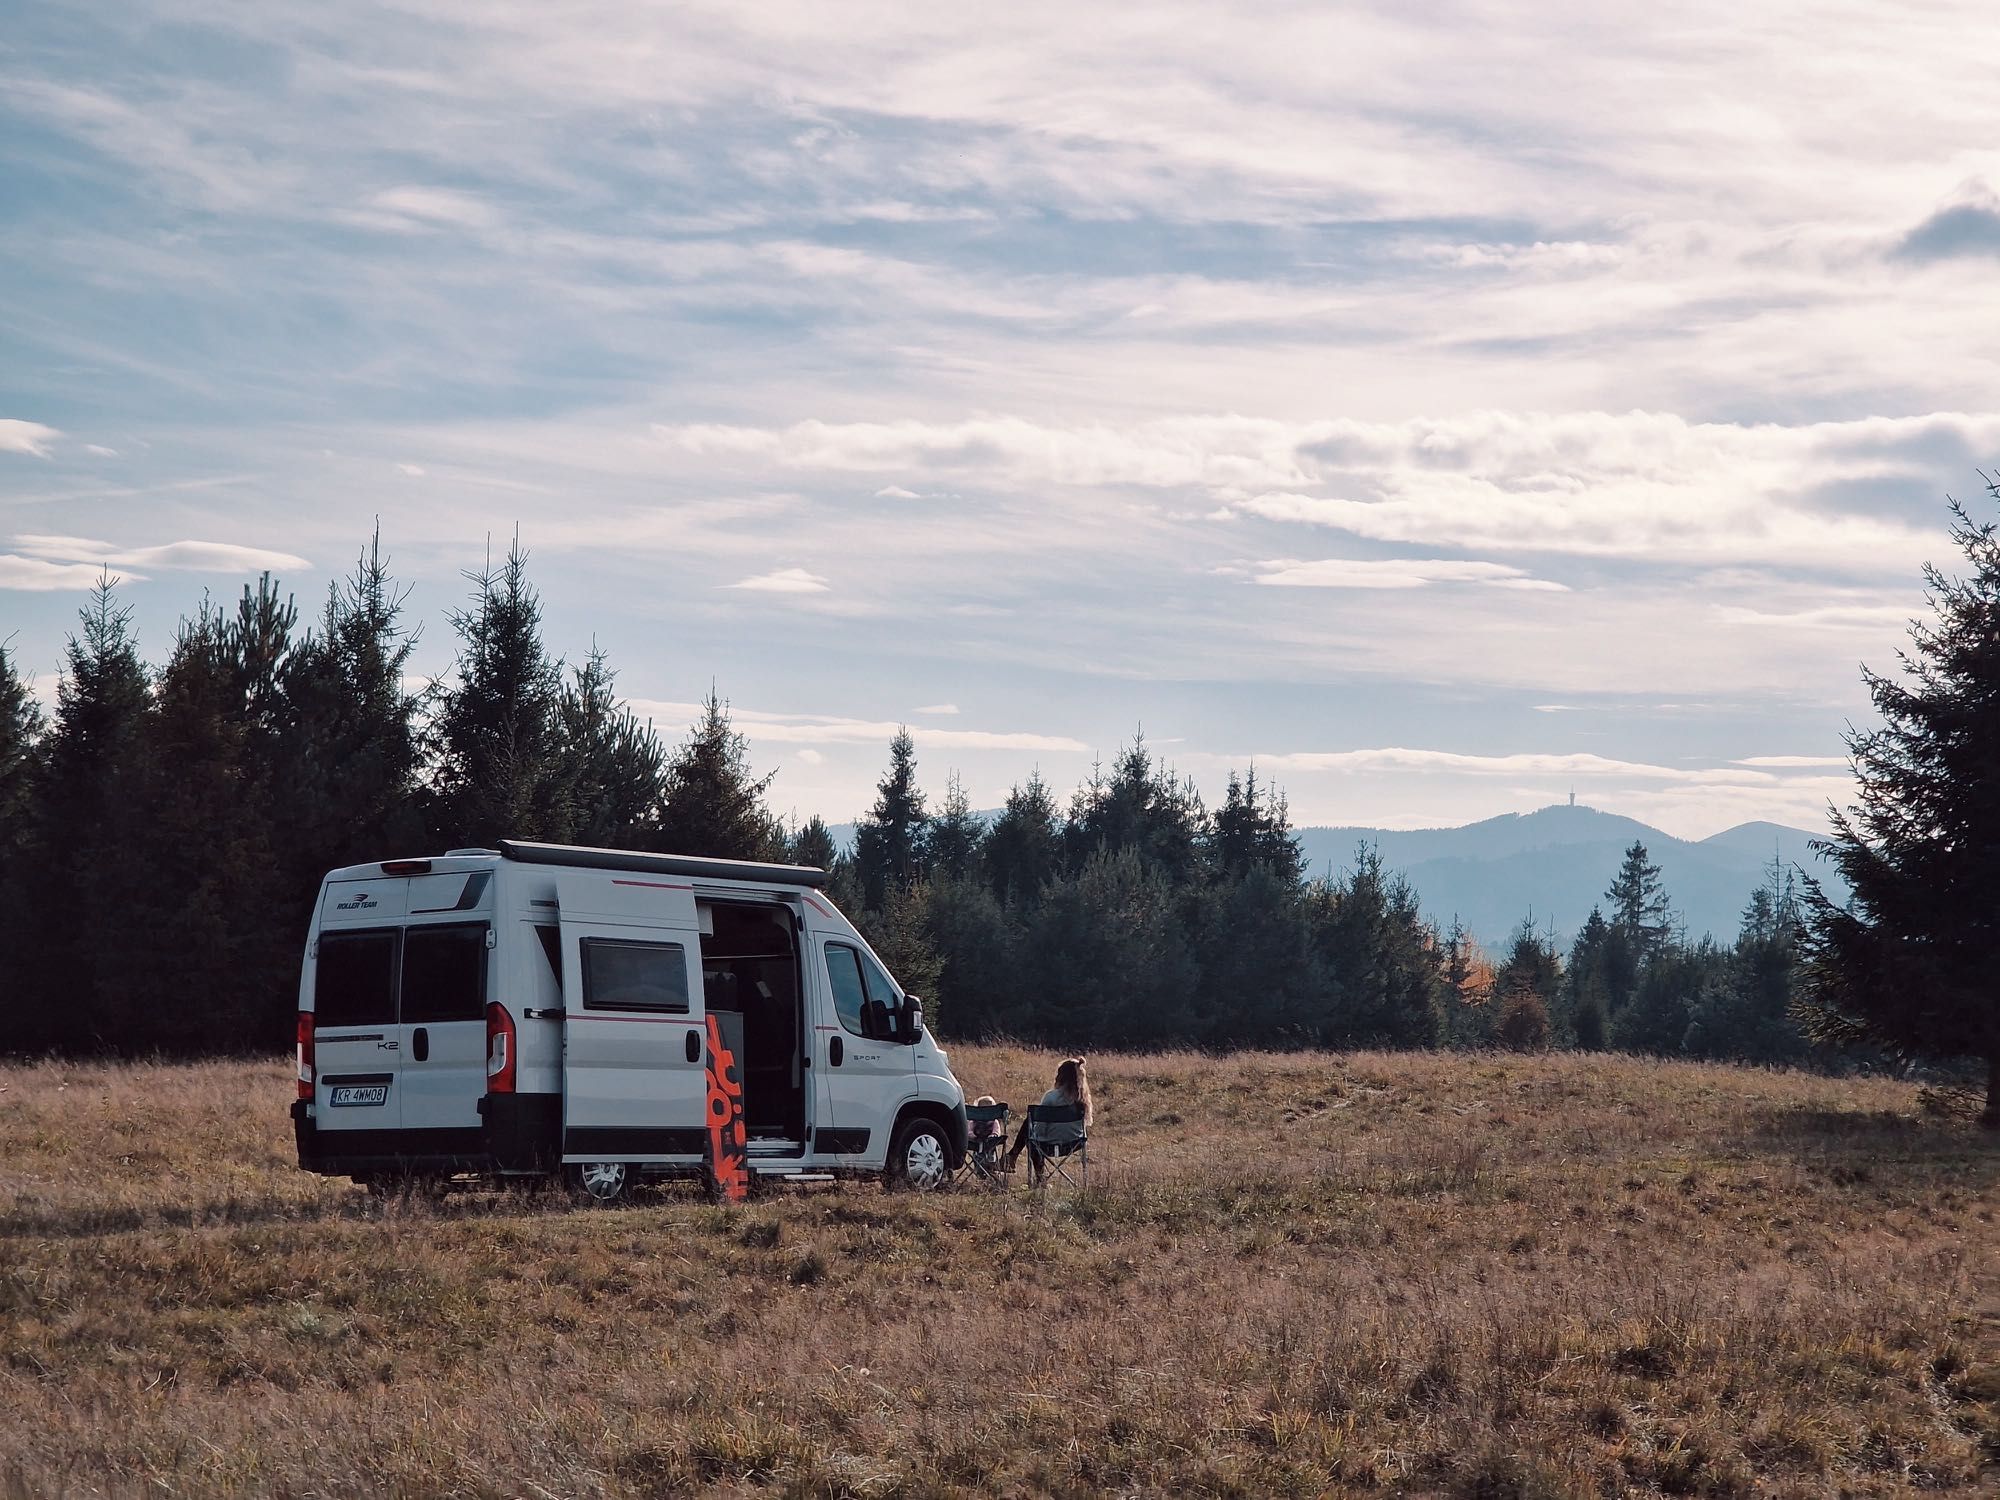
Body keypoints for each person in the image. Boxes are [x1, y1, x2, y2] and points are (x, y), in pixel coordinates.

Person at [1006, 1057, 1091, 1172]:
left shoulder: (1051, 1097)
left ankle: (1037, 1176)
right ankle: (1012, 1157)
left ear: (1060, 1076)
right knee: (1030, 1124)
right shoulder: (1083, 1100)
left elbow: (1041, 1128)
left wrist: (1035, 1132)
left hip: (1047, 1144)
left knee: (1030, 1130)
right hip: (1074, 1143)